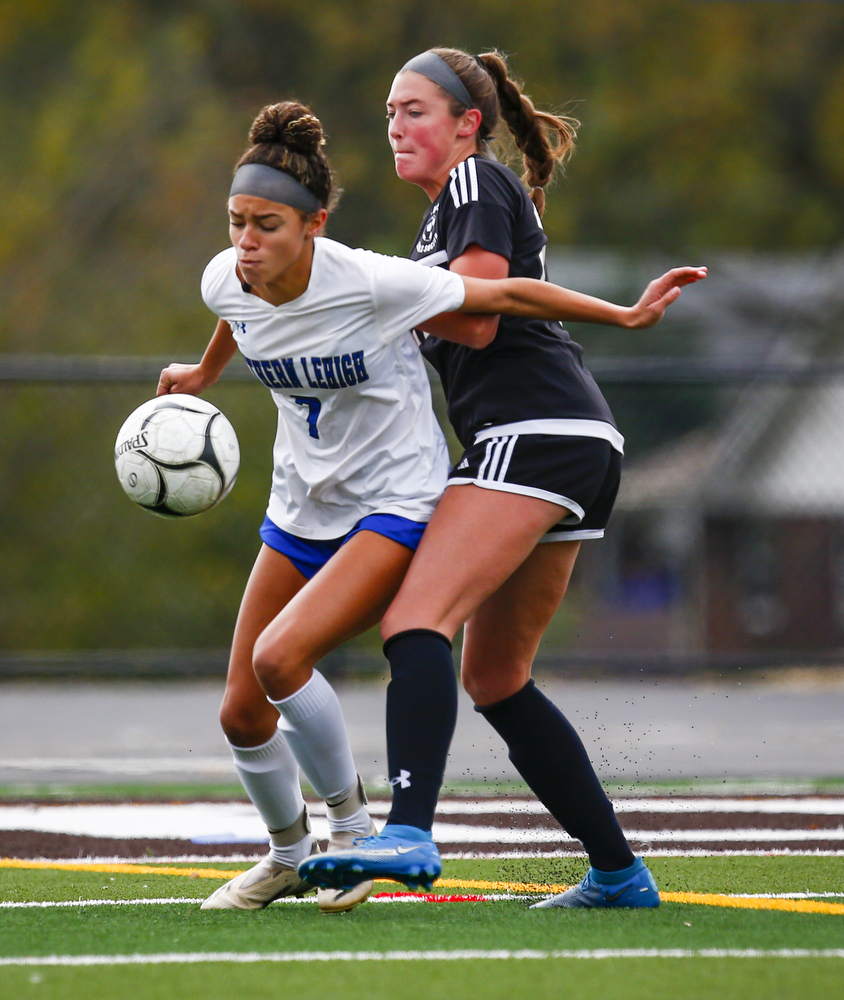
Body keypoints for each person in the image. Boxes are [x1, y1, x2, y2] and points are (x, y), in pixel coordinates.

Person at [300, 49, 706, 909]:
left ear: (466, 124)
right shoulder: (439, 222)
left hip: (534, 435)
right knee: (496, 677)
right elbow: (464, 308)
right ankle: (618, 875)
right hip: (573, 442)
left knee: (416, 617)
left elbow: (479, 309)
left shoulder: (471, 184)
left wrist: (384, 296)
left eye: (414, 110)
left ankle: (408, 830)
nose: (396, 128)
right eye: (388, 113)